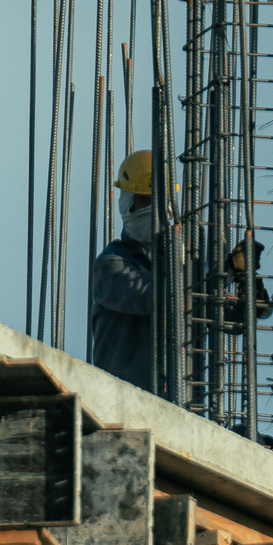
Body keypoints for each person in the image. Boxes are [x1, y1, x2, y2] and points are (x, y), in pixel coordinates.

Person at [89, 150, 162, 393]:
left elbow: (229, 315)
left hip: (172, 404)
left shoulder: (183, 262)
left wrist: (232, 274)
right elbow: (158, 299)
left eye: (154, 201)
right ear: (126, 201)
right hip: (120, 400)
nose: (147, 209)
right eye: (141, 200)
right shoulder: (111, 265)